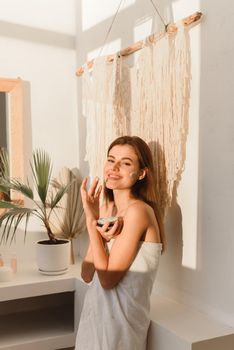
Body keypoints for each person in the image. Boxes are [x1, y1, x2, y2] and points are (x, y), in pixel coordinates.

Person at [75, 135, 165, 350]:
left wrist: (90, 221)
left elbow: (106, 280)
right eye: (110, 159)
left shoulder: (139, 212)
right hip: (95, 321)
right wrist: (97, 229)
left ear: (141, 173)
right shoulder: (109, 209)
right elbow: (87, 273)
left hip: (120, 330)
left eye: (125, 163)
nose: (114, 167)